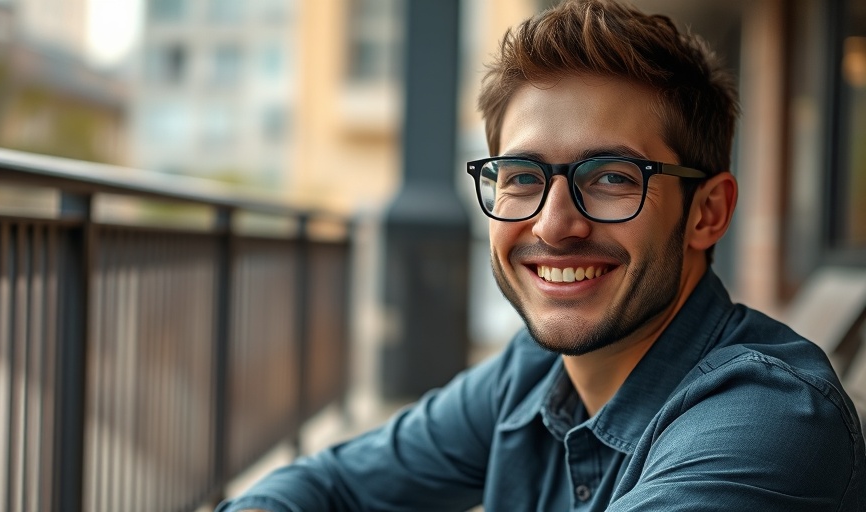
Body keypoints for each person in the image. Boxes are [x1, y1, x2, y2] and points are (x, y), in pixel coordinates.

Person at [218, 1, 866, 510]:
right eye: (522, 177)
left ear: (708, 213)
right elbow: (329, 486)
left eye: (612, 177)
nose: (554, 226)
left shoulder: (768, 421)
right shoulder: (529, 374)